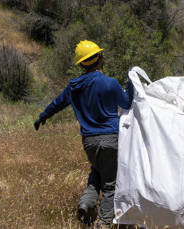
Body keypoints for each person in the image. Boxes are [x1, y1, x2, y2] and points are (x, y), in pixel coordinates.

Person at [33, 40, 133, 227]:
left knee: (97, 172)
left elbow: (57, 103)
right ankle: (103, 223)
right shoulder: (110, 83)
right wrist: (131, 84)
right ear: (99, 59)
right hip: (111, 139)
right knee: (111, 185)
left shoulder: (74, 86)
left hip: (89, 142)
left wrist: (42, 116)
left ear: (81, 63)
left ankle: (86, 204)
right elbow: (127, 103)